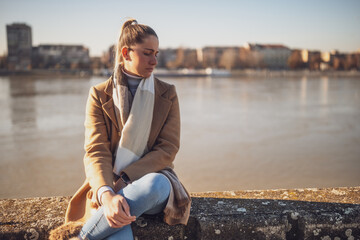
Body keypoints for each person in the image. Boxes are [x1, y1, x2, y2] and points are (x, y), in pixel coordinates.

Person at [49, 19, 191, 240]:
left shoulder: (167, 93)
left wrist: (124, 180)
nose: (154, 60)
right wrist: (107, 194)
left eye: (156, 53)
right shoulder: (99, 94)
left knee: (157, 183)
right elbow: (96, 151)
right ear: (126, 53)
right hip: (108, 184)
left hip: (150, 186)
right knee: (119, 228)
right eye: (147, 53)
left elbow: (168, 149)